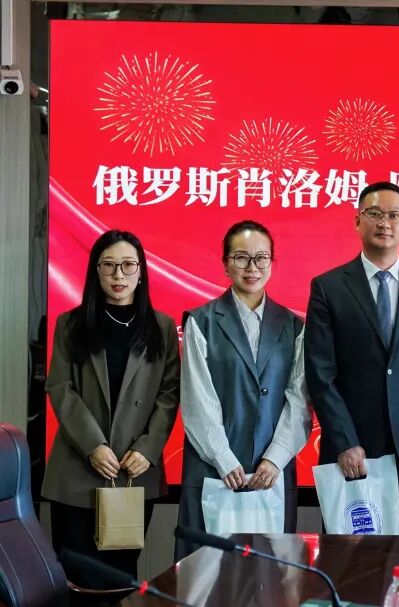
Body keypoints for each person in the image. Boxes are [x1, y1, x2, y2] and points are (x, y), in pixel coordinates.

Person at [305, 181, 399, 534]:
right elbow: (320, 374)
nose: (385, 223)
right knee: (347, 555)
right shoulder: (328, 286)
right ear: (358, 221)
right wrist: (343, 440)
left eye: (394, 215)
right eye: (374, 213)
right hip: (351, 448)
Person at [43, 230, 179, 587]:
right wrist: (93, 445)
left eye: (128, 265)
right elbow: (60, 387)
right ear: (96, 270)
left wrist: (148, 449)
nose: (119, 275)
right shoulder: (71, 324)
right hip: (76, 471)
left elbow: (169, 392)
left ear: (141, 271)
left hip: (133, 471)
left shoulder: (162, 327)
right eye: (109, 265)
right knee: (75, 580)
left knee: (120, 580)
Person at [175, 220, 310, 560]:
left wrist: (275, 458)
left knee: (270, 571)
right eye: (241, 257)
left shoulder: (294, 326)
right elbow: (197, 399)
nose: (252, 267)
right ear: (225, 263)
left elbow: (299, 399)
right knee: (205, 571)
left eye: (261, 258)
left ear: (272, 263)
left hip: (271, 471)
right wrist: (223, 458)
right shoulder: (201, 321)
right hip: (213, 469)